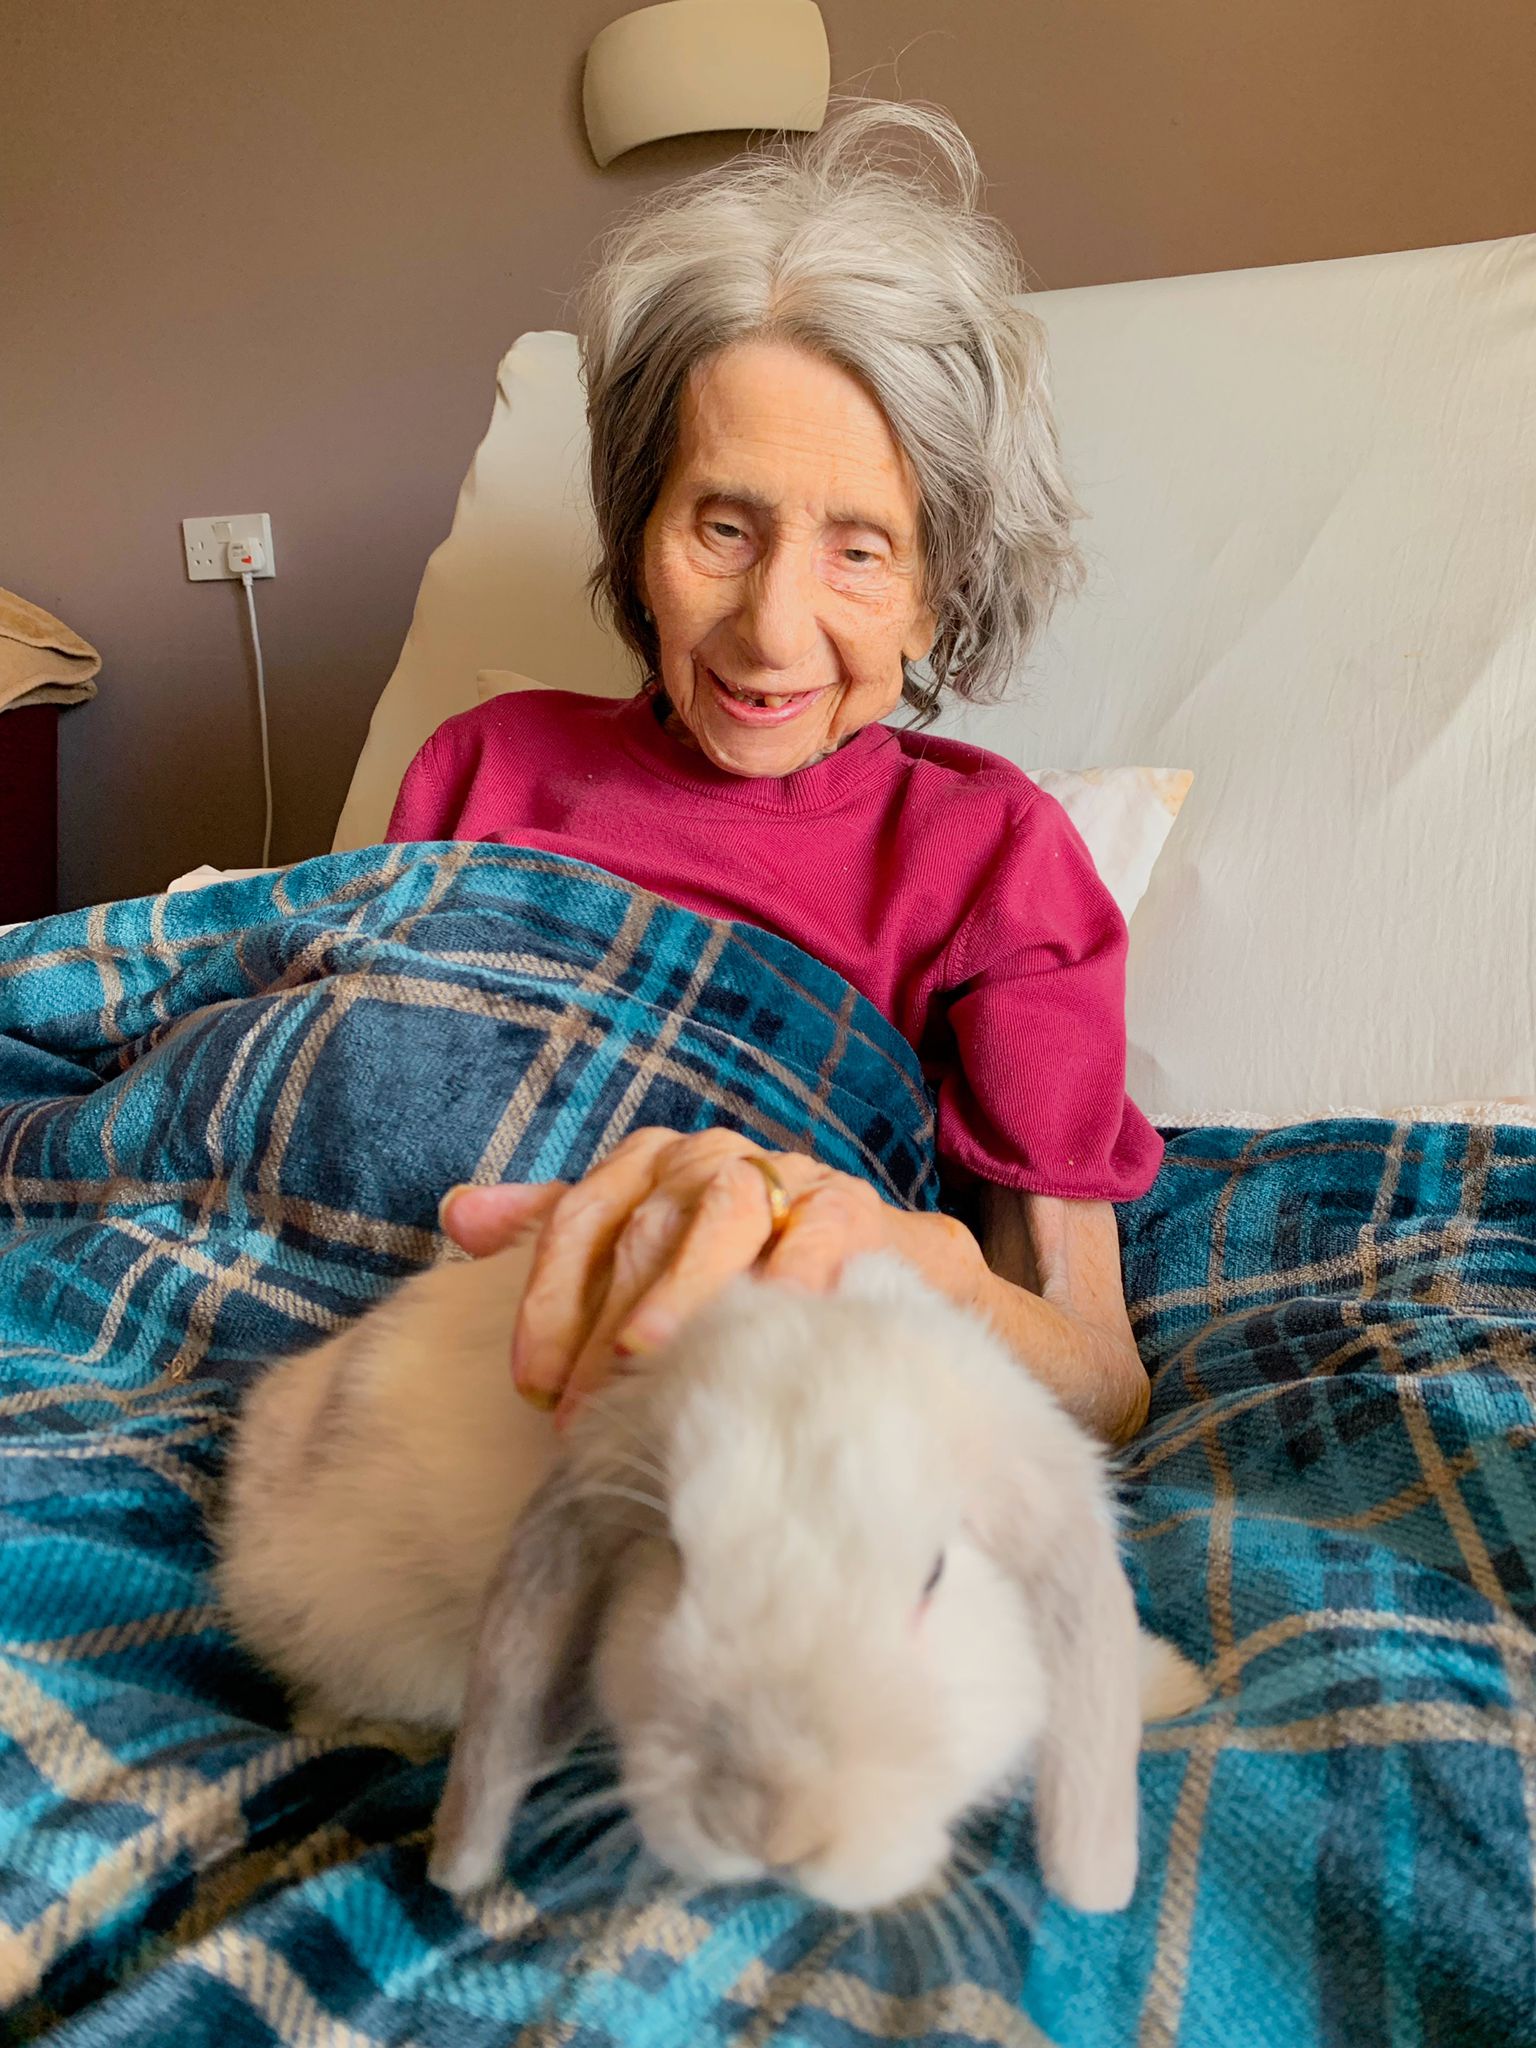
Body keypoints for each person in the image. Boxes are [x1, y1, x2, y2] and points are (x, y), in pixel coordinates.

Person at [387, 100, 1163, 1445]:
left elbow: (1103, 1383)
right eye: (724, 529)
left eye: (860, 551)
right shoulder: (480, 765)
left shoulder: (995, 858)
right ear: (638, 535)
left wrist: (920, 1264)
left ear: (938, 595)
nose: (771, 631)